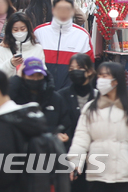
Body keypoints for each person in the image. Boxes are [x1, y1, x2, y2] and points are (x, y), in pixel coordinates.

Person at [68, 61, 128, 190]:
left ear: (116, 80)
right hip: (98, 173)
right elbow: (80, 139)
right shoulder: (90, 108)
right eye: (99, 76)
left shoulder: (125, 107)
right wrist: (75, 163)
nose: (101, 80)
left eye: (105, 76)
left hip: (124, 174)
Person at [34, 0, 94, 90]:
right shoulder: (39, 32)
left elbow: (90, 65)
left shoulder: (82, 35)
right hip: (43, 90)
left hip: (71, 92)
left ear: (73, 11)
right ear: (53, 10)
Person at [8, 58, 71, 141]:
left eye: (39, 75)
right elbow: (5, 100)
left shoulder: (55, 98)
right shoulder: (16, 97)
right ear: (23, 75)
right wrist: (17, 78)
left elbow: (65, 126)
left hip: (48, 149)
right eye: (31, 75)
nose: (35, 79)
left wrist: (60, 136)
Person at [57, 54, 96, 155]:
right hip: (67, 151)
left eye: (80, 68)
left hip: (93, 153)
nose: (75, 71)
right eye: (71, 68)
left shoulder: (98, 97)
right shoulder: (61, 96)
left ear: (90, 71)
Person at [0, 12, 45, 78]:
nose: (19, 32)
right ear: (10, 31)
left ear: (28, 28)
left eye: (23, 29)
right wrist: (10, 64)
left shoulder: (37, 48)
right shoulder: (2, 49)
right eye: (15, 30)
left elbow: (42, 73)